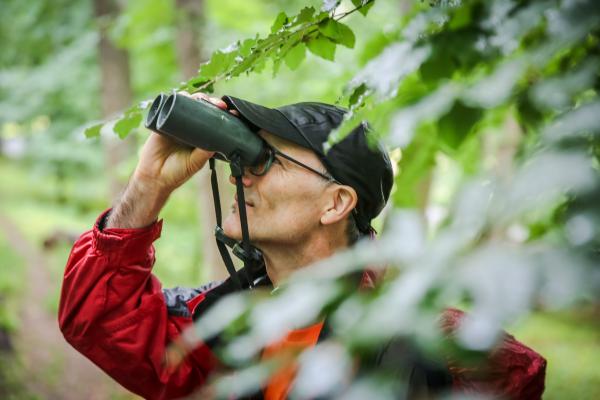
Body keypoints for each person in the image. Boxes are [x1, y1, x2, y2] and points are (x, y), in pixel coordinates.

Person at [59, 92, 546, 400]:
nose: (241, 172)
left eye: (265, 159)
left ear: (335, 203)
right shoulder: (228, 320)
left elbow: (517, 374)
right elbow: (99, 321)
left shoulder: (419, 341)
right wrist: (148, 184)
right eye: (243, 156)